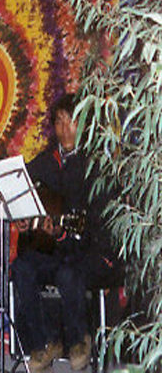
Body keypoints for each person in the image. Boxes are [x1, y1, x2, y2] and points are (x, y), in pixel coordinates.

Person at [11, 94, 123, 371]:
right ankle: (44, 343)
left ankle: (78, 340)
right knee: (22, 267)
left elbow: (101, 225)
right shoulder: (46, 161)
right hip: (58, 250)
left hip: (94, 252)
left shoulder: (98, 165)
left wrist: (63, 234)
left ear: (84, 124)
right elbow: (19, 189)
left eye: (71, 121)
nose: (65, 129)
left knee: (67, 272)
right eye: (59, 122)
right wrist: (24, 220)